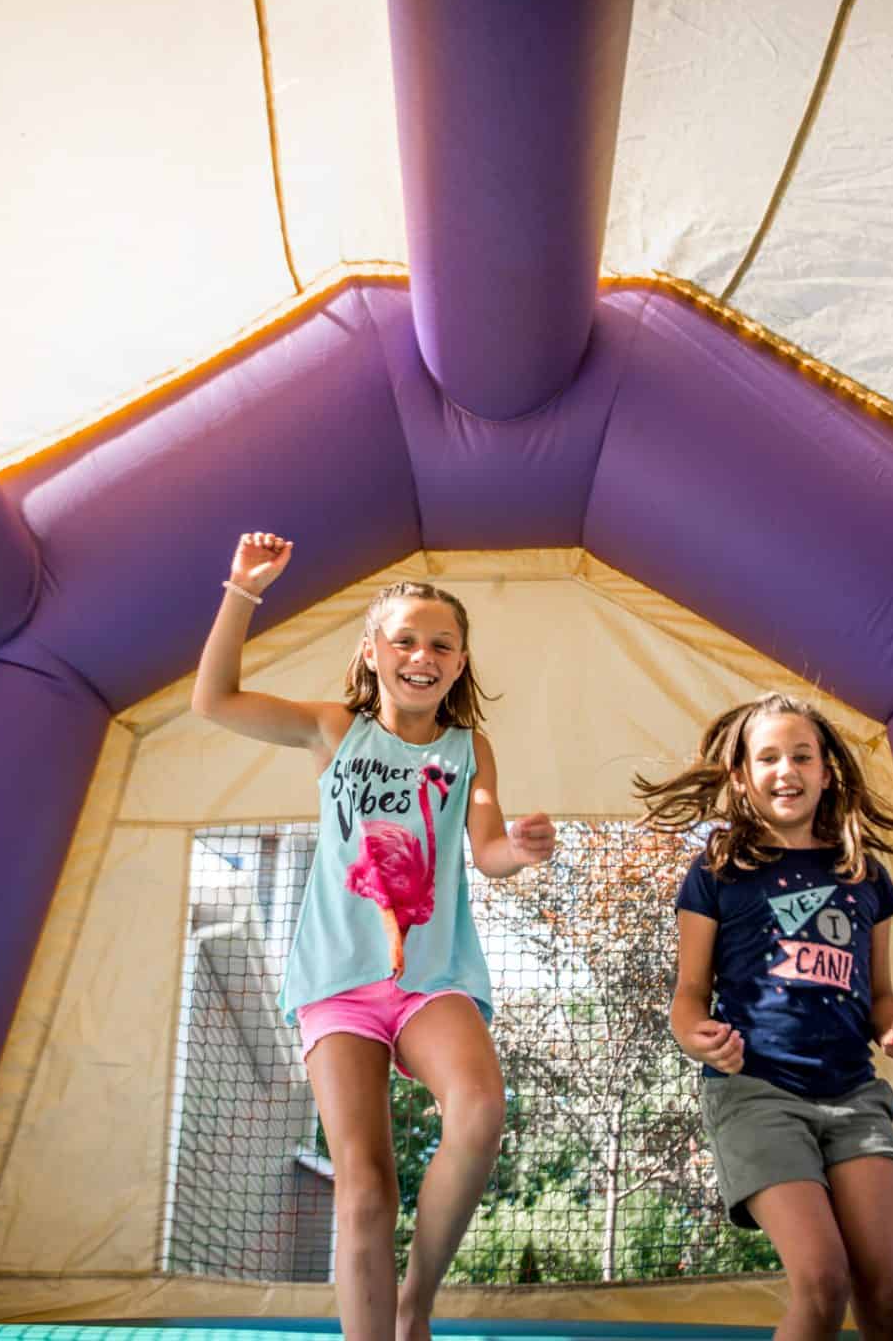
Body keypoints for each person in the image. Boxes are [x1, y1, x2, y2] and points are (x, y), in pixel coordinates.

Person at [191, 532, 554, 1341]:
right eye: (405, 640)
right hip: (338, 982)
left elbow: (487, 850)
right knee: (364, 1189)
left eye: (441, 644)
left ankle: (413, 1301)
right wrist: (242, 590)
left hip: (431, 978)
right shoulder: (334, 731)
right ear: (373, 651)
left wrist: (520, 850)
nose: (422, 655)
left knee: (480, 1107)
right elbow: (212, 701)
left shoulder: (469, 750)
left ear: (460, 663)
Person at [638, 692, 893, 1341]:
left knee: (885, 1294)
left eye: (801, 755)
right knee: (824, 1281)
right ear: (742, 776)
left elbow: (880, 997)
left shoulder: (863, 874)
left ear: (827, 770)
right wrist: (698, 1037)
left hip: (853, 1097)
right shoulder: (719, 871)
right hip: (757, 1094)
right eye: (767, 757)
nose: (786, 770)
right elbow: (688, 995)